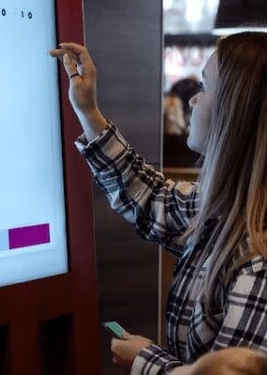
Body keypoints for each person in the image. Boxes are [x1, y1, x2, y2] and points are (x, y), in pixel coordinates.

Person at [49, 31, 266, 374]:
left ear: (237, 113)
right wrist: (88, 110)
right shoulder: (227, 211)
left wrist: (146, 363)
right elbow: (152, 200)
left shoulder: (259, 260)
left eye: (205, 88)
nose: (192, 101)